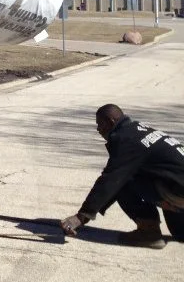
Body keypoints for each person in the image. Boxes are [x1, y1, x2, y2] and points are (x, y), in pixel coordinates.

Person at [61, 104, 184, 248]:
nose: (98, 129)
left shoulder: (126, 139)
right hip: (176, 183)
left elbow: (110, 180)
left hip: (177, 189)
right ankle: (172, 207)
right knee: (180, 233)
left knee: (122, 181)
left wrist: (81, 217)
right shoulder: (139, 129)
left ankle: (149, 232)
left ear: (111, 122)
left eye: (100, 124)